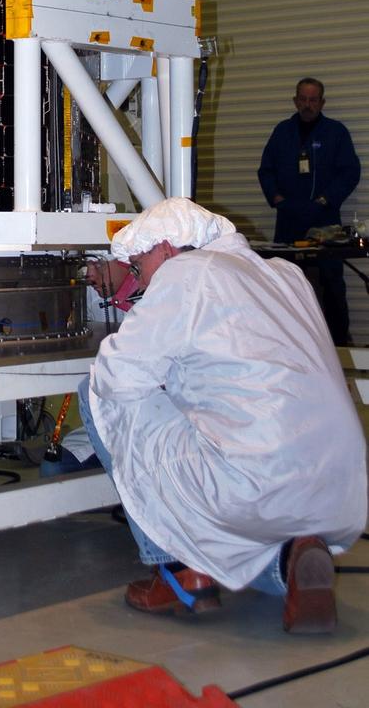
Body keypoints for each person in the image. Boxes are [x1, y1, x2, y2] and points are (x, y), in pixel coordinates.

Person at [77, 197, 366, 634]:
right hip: (340, 483)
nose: (139, 280)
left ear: (168, 249)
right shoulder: (284, 274)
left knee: (96, 390)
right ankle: (291, 563)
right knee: (242, 496)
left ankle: (174, 569)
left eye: (138, 267)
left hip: (253, 479)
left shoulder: (184, 275)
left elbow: (118, 376)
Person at [258, 77, 360, 344]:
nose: (307, 105)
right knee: (286, 284)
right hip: (288, 220)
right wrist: (278, 199)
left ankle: (339, 345)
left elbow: (350, 172)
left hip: (324, 222)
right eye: (302, 99)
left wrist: (326, 200)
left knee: (331, 285)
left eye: (312, 100)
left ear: (321, 102)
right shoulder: (282, 132)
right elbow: (265, 170)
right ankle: (290, 345)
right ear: (295, 101)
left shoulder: (335, 133)